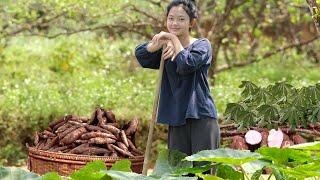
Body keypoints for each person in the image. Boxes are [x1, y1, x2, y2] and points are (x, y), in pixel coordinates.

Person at [134, 0, 220, 158]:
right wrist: (155, 45)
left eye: (181, 19)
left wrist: (173, 39)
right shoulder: (166, 49)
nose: (175, 23)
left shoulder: (202, 45)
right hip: (176, 117)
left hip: (201, 115)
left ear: (191, 22)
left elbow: (187, 64)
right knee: (178, 170)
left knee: (204, 170)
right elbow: (141, 56)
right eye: (171, 18)